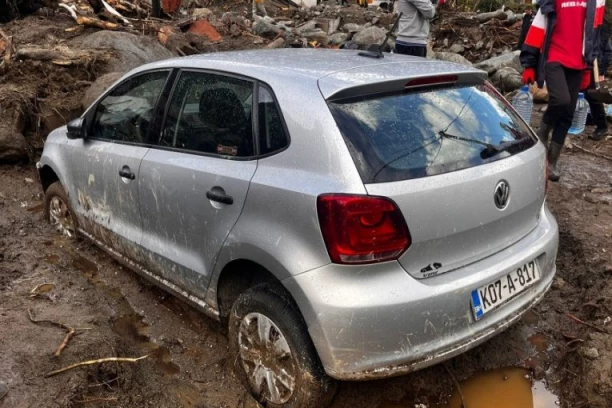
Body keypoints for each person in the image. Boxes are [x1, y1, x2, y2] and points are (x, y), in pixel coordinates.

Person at [520, 0, 606, 182]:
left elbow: (594, 34)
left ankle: (551, 162)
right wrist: (529, 64)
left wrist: (589, 67)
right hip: (555, 57)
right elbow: (537, 29)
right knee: (560, 100)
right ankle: (542, 131)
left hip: (578, 63)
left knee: (568, 113)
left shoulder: (594, 2)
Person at [586, 16, 612, 141]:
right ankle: (588, 117)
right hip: (579, 63)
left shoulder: (601, 25)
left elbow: (607, 51)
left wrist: (601, 71)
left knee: (593, 96)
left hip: (594, 67)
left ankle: (602, 126)